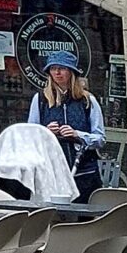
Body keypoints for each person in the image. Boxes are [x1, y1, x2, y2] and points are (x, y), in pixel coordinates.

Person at [28, 52, 106, 198]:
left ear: (71, 72)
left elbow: (100, 138)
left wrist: (77, 134)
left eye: (62, 68)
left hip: (84, 173)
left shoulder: (87, 100)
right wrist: (46, 132)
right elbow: (30, 137)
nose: (57, 73)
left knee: (84, 211)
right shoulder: (40, 100)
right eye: (53, 69)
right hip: (52, 172)